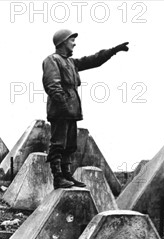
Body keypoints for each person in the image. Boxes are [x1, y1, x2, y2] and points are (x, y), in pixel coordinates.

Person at [42, 30, 129, 189]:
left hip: (72, 111)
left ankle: (66, 174)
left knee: (70, 144)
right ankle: (58, 177)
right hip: (61, 110)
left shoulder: (71, 63)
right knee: (58, 144)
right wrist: (63, 107)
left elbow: (94, 60)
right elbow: (53, 86)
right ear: (62, 42)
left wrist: (113, 51)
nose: (74, 43)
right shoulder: (52, 60)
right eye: (71, 40)